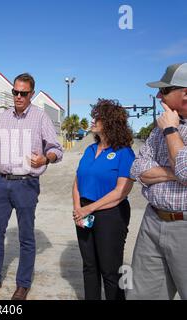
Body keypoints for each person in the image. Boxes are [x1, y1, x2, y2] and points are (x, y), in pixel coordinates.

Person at [0, 73, 63, 300]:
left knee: (26, 237)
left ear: (31, 94)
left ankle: (23, 284)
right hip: (1, 184)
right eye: (15, 92)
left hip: (26, 184)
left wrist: (45, 159)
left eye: (24, 93)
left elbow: (56, 149)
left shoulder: (41, 118)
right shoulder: (2, 117)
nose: (19, 96)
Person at [127, 63, 187, 300]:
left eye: (164, 90)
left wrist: (171, 131)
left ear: (184, 93)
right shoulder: (159, 126)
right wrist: (174, 172)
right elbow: (137, 168)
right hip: (152, 221)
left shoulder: (167, 126)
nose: (157, 95)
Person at [72, 99, 135, 300]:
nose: (93, 120)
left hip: (111, 215)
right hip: (83, 211)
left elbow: (120, 192)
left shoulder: (124, 152)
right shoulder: (90, 150)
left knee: (110, 269)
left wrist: (88, 209)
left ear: (109, 122)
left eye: (97, 117)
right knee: (89, 266)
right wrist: (78, 207)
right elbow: (77, 180)